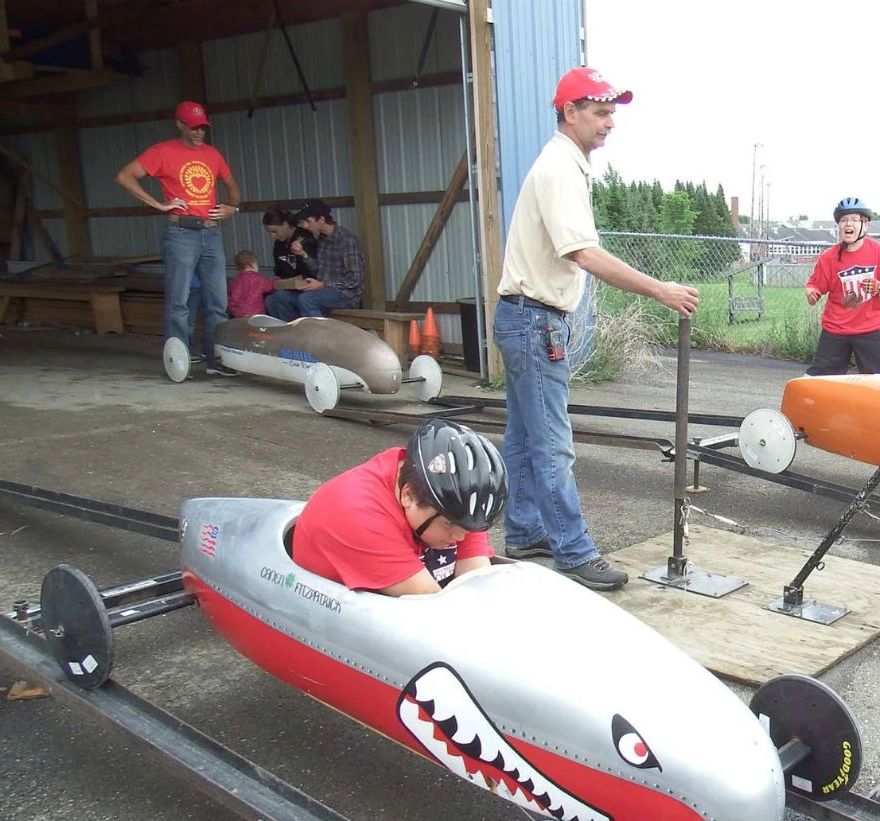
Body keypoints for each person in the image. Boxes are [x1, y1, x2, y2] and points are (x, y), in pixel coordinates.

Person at [493, 66, 699, 592]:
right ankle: (573, 550)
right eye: (601, 112)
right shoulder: (559, 170)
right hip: (535, 320)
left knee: (522, 437)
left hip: (524, 316)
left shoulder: (567, 165)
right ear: (569, 112)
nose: (610, 123)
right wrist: (660, 289)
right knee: (553, 443)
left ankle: (524, 531)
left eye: (612, 113)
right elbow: (583, 253)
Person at [291, 419, 504, 597]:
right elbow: (434, 609)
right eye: (449, 524)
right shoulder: (358, 516)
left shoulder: (461, 502)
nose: (460, 536)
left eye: (467, 527)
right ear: (408, 495)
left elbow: (478, 583)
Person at [115, 100, 242, 376]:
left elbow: (232, 186)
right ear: (180, 125)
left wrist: (233, 208)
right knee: (179, 298)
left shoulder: (212, 154)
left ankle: (216, 358)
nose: (199, 133)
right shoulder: (162, 152)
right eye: (194, 127)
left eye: (203, 128)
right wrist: (158, 204)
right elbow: (125, 176)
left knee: (217, 301)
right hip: (181, 231)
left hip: (211, 231)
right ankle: (179, 359)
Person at [804, 197, 880, 375]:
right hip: (836, 327)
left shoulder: (879, 251)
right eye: (843, 220)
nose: (849, 224)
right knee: (822, 380)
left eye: (855, 219)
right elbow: (815, 285)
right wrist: (812, 293)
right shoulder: (828, 257)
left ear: (866, 225)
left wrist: (879, 287)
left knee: (878, 380)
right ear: (839, 225)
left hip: (870, 327)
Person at [265, 198, 365, 318]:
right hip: (321, 291)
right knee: (277, 298)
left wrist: (323, 284)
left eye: (308, 221)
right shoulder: (321, 239)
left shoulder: (347, 240)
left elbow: (355, 279)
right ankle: (296, 332)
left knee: (307, 300)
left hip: (346, 295)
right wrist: (304, 255)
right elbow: (318, 270)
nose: (305, 226)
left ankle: (319, 336)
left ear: (321, 219)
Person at [262, 206, 317, 282]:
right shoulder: (278, 244)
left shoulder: (305, 237)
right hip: (287, 286)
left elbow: (313, 268)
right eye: (270, 233)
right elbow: (278, 270)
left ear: (285, 224)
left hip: (307, 284)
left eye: (275, 231)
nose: (272, 236)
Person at [227, 250, 274, 319]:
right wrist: (275, 280)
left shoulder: (234, 281)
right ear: (252, 265)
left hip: (237, 314)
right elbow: (270, 287)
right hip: (255, 313)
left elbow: (229, 293)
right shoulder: (258, 279)